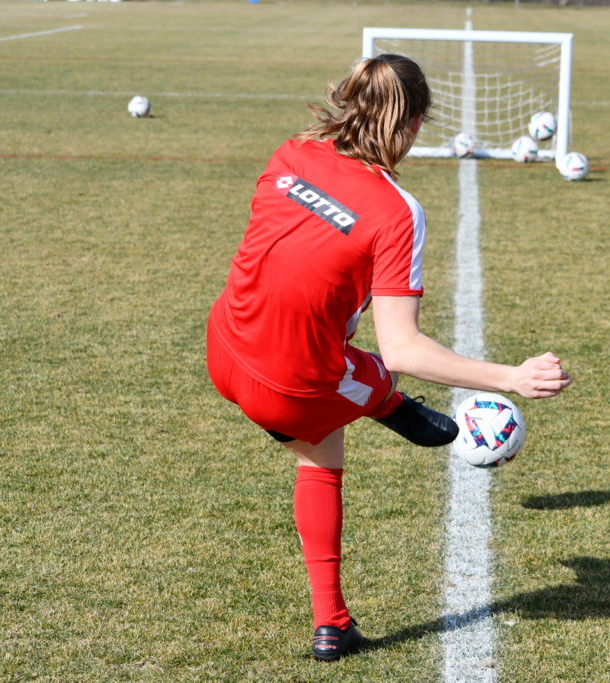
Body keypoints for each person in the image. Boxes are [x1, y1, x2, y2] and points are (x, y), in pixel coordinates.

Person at [206, 54, 572, 662]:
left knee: (320, 428)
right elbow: (403, 346)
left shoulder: (292, 151)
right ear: (414, 124)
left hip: (223, 347)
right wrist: (512, 377)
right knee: (352, 395)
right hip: (292, 385)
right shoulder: (397, 211)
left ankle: (376, 407)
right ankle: (331, 619)